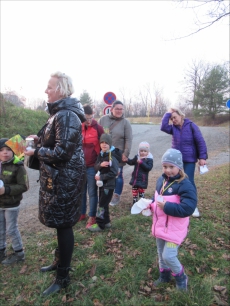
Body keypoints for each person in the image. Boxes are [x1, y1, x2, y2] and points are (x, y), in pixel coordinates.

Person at [24, 71, 86, 296]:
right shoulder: (59, 114)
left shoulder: (66, 115)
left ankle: (63, 276)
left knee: (64, 225)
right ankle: (59, 263)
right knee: (61, 224)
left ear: (61, 89)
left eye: (49, 87)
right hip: (61, 178)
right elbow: (59, 142)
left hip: (65, 179)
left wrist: (36, 151)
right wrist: (40, 140)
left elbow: (62, 152)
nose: (46, 90)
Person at [148, 148, 197, 291]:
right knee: (160, 253)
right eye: (165, 166)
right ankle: (164, 276)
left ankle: (181, 277)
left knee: (169, 256)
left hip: (174, 230)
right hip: (160, 227)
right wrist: (149, 206)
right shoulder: (161, 180)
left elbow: (188, 208)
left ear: (179, 167)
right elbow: (156, 199)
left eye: (171, 167)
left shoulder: (185, 184)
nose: (168, 170)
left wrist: (167, 207)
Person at [160, 107, 207, 218]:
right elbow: (163, 126)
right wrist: (168, 113)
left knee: (188, 180)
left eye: (175, 117)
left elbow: (200, 141)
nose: (173, 120)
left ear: (181, 116)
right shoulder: (173, 128)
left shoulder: (191, 126)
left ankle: (192, 205)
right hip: (176, 161)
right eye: (172, 119)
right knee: (176, 180)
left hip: (189, 159)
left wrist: (202, 157)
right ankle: (177, 200)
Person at [0, 138, 29, 264]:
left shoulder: (18, 166)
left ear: (14, 151)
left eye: (8, 150)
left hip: (11, 204)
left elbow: (24, 186)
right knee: (0, 229)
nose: (5, 153)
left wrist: (6, 190)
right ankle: (1, 251)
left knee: (11, 229)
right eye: (1, 150)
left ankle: (19, 253)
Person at [98, 100, 132, 206]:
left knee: (118, 174)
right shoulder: (103, 120)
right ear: (112, 109)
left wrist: (125, 154)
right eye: (117, 108)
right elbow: (98, 136)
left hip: (118, 154)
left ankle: (116, 195)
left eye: (121, 109)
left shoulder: (125, 123)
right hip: (104, 153)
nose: (119, 111)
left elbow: (129, 139)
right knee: (105, 173)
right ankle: (105, 194)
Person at [88, 133, 122, 232]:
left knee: (102, 204)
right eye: (102, 142)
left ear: (110, 144)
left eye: (106, 143)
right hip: (102, 184)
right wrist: (100, 165)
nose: (104, 144)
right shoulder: (102, 154)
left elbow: (114, 172)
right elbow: (95, 166)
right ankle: (106, 222)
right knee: (104, 203)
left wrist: (101, 177)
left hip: (108, 185)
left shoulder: (112, 156)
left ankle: (100, 224)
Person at [80, 104, 104, 228]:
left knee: (92, 192)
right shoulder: (79, 128)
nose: (88, 121)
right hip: (80, 166)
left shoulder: (98, 128)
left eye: (90, 118)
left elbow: (105, 146)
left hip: (92, 166)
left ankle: (92, 216)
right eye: (85, 118)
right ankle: (81, 213)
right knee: (81, 191)